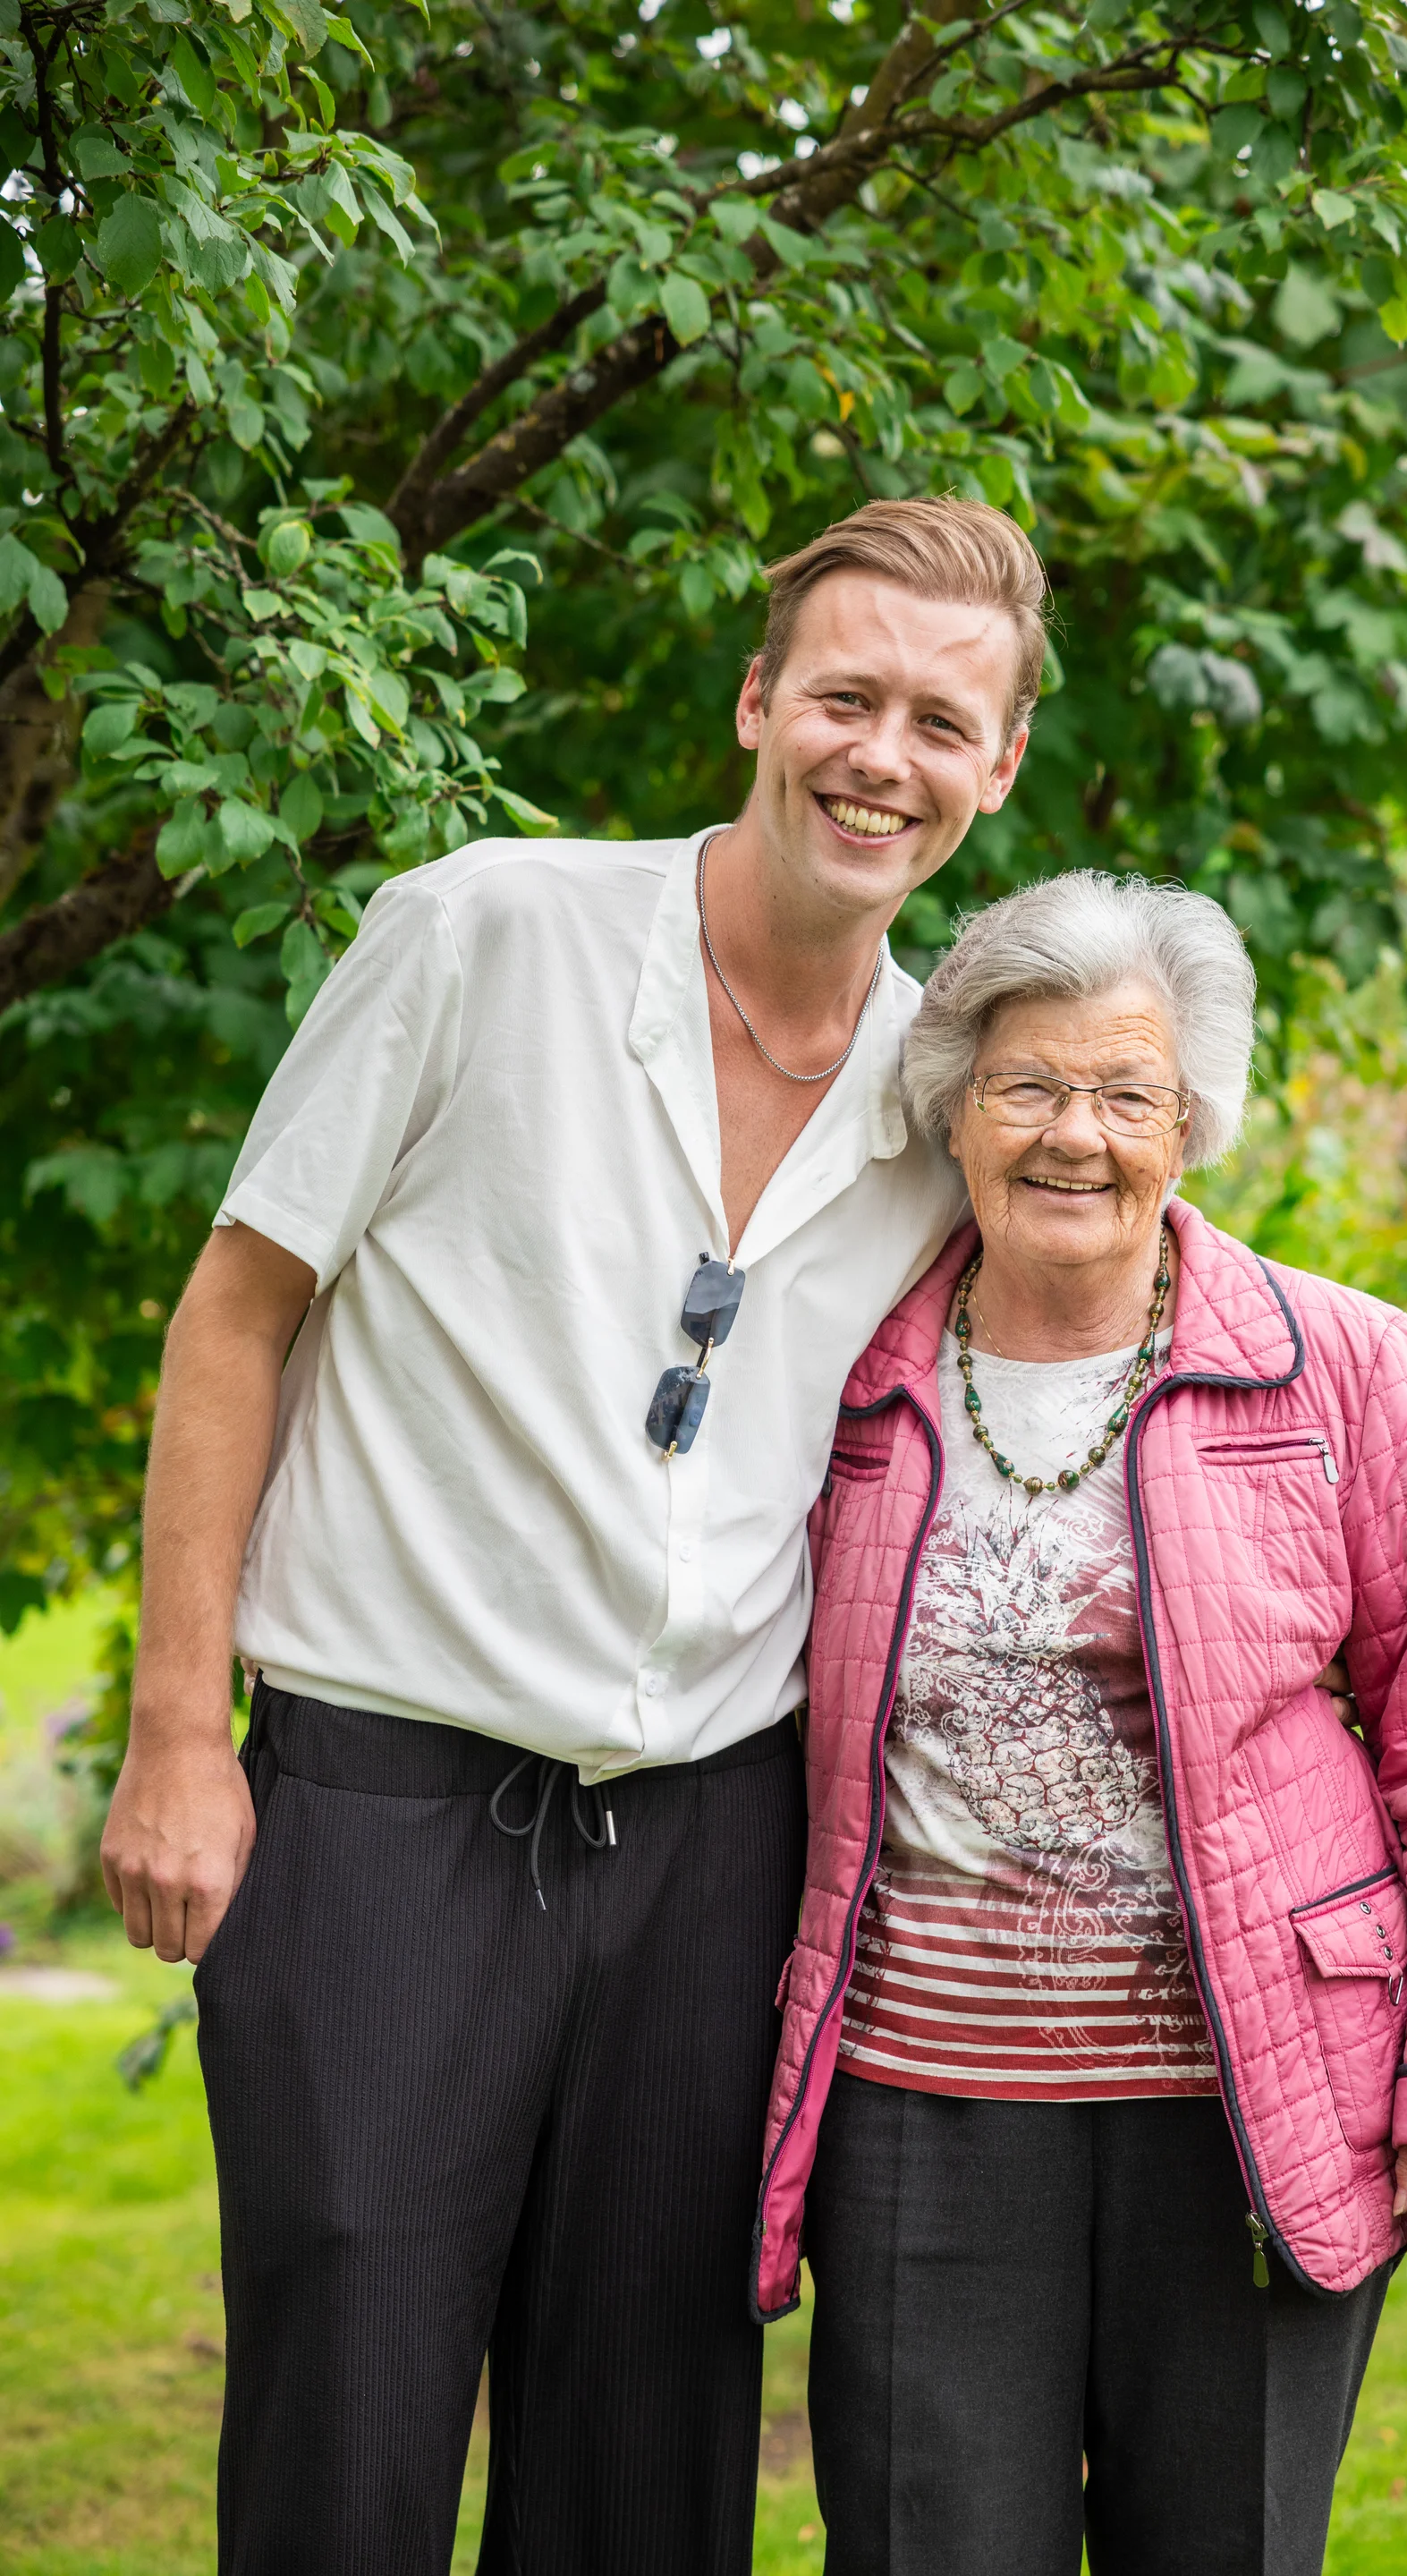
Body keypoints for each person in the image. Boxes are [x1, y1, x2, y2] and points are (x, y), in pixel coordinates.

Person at [97, 496, 1045, 2576]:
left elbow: (1114, 1276)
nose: (882, 754)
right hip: (379, 1813)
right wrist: (180, 1725)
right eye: (846, 695)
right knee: (344, 2446)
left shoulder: (948, 1090)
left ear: (999, 769)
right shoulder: (480, 929)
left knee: (647, 2468)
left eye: (941, 723)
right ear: (756, 702)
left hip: (714, 1851)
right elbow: (234, 1313)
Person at [753, 871, 1407, 2576]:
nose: (1077, 1134)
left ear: (1190, 1121)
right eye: (1030, 1084)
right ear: (956, 1108)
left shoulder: (1340, 1362)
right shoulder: (843, 1367)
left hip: (1250, 2109)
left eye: (1127, 1092)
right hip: (924, 2109)